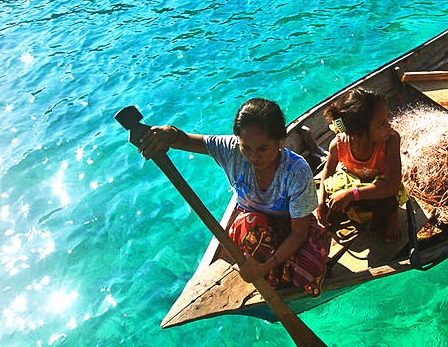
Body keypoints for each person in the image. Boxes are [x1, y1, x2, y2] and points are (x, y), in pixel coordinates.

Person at [137, 98, 329, 296]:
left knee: (308, 273)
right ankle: (266, 273)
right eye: (246, 147)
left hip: (290, 227)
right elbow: (183, 140)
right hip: (253, 229)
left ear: (280, 141)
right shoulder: (230, 150)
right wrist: (167, 133)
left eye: (263, 149)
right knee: (253, 224)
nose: (254, 157)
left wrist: (264, 268)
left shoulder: (297, 171)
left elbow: (298, 233)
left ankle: (267, 272)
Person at [315, 87, 407, 243]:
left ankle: (392, 215)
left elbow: (391, 185)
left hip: (381, 189)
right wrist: (322, 202)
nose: (389, 127)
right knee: (332, 205)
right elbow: (328, 170)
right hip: (356, 184)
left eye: (387, 121)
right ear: (360, 130)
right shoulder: (338, 144)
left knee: (389, 201)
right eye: (382, 124)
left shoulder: (390, 140)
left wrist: (351, 195)